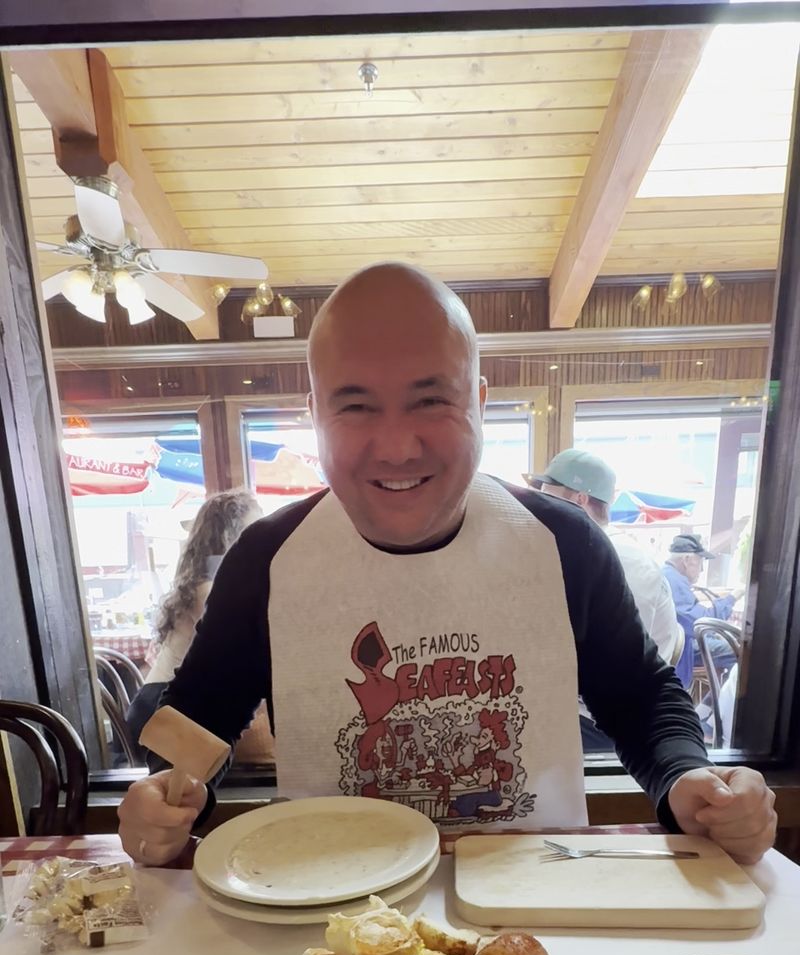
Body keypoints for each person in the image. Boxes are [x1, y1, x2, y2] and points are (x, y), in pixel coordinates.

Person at [118, 263, 776, 867]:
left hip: (534, 897)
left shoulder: (565, 542)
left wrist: (687, 776)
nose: (397, 446)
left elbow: (639, 696)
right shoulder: (265, 558)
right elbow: (196, 720)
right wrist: (166, 799)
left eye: (431, 401)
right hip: (325, 908)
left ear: (480, 402)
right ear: (315, 415)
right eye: (355, 406)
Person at [537, 448, 684, 753]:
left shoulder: (622, 559)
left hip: (608, 719)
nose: (539, 502)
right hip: (582, 707)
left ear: (579, 500)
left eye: (547, 493)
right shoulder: (578, 549)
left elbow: (616, 669)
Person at [126, 489, 271, 757]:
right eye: (254, 530)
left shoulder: (199, 584)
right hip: (165, 710)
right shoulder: (210, 590)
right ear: (232, 537)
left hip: (165, 701)